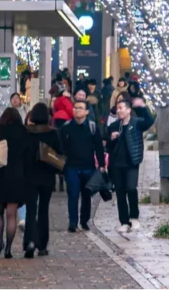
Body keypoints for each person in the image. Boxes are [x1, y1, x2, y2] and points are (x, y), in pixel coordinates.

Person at [0, 107, 29, 258]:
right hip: (17, 175)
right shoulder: (24, 132)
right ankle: (9, 248)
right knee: (11, 215)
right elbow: (29, 154)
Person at [106, 96, 154, 233]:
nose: (118, 111)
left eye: (121, 108)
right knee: (120, 192)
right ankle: (124, 221)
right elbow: (107, 145)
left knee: (131, 188)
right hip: (116, 164)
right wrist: (111, 138)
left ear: (128, 110)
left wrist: (142, 107)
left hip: (132, 162)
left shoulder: (136, 123)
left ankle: (134, 217)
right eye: (117, 108)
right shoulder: (113, 126)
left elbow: (149, 121)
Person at [59, 97, 105, 232]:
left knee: (86, 196)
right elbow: (61, 146)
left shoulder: (92, 127)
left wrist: (101, 165)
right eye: (75, 108)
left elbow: (99, 147)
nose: (77, 110)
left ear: (86, 112)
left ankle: (84, 220)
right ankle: (72, 222)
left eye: (80, 108)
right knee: (72, 195)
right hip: (71, 167)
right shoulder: (66, 127)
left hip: (88, 167)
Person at [22, 104, 62, 258]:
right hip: (47, 176)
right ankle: (42, 245)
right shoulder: (52, 134)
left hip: (29, 176)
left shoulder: (26, 133)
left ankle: (30, 241)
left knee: (31, 210)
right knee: (44, 210)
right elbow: (60, 154)